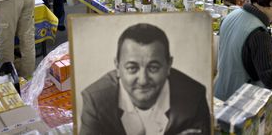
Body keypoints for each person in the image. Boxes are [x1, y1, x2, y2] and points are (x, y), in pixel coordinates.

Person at [80, 23, 210, 135]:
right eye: (132, 68)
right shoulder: (95, 101)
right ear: (117, 67)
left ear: (169, 65)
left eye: (153, 68)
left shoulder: (194, 96)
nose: (143, 81)